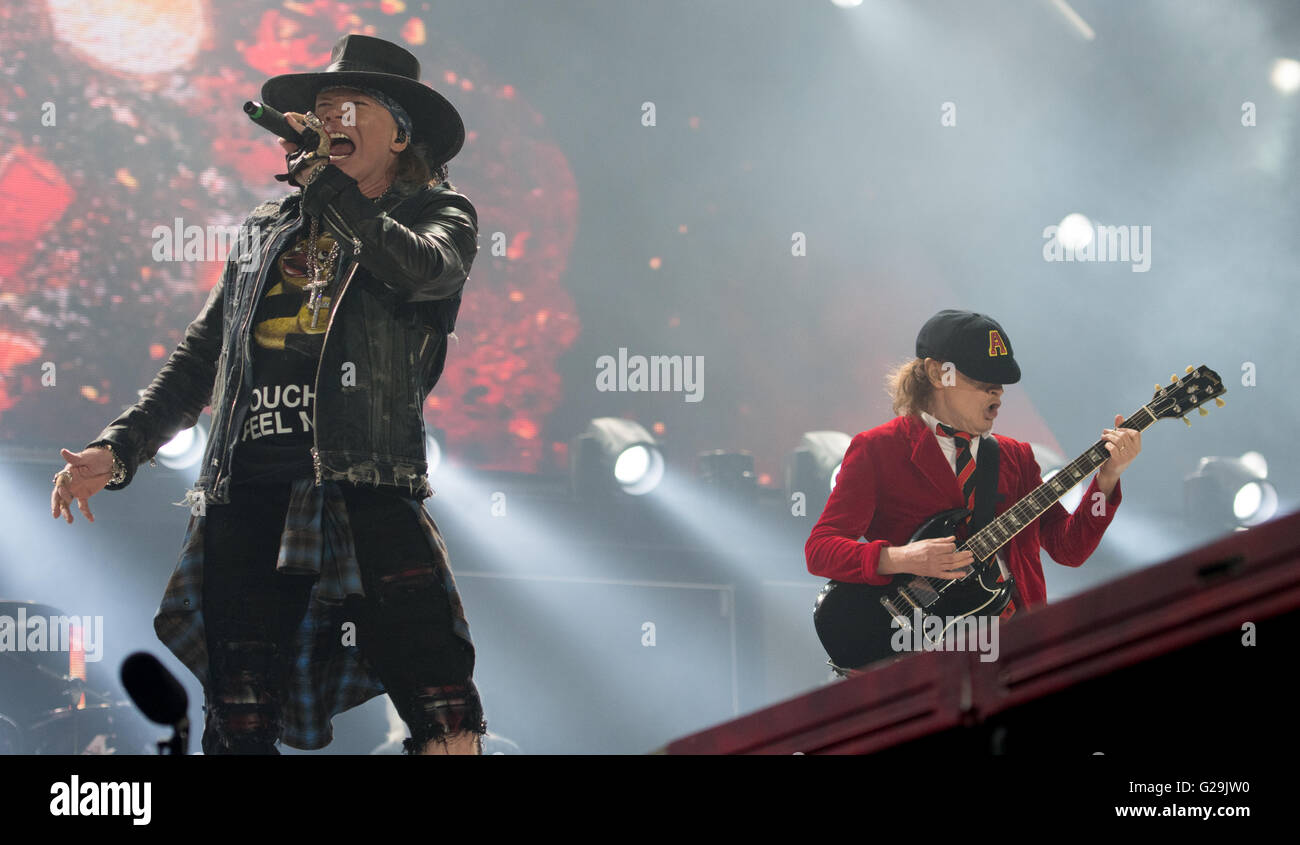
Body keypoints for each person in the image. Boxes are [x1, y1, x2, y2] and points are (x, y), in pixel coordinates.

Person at [50, 34, 485, 754]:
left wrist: (330, 190)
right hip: (248, 489)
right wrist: (118, 449)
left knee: (440, 696)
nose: (328, 120)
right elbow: (201, 359)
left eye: (351, 107)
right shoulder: (266, 229)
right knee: (239, 710)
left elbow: (422, 272)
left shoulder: (437, 215)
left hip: (363, 484)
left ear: (401, 132)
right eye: (320, 109)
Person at [805, 310, 1141, 671]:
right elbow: (820, 550)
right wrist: (901, 558)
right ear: (937, 373)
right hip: (921, 656)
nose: (997, 393)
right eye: (983, 380)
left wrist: (1106, 480)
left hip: (1016, 651)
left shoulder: (1018, 457)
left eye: (1001, 383)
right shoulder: (878, 449)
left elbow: (1068, 549)